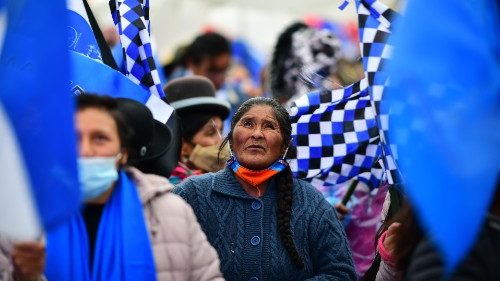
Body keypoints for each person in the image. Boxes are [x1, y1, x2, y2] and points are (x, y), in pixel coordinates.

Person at [42, 94, 222, 281]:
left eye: (100, 138)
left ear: (123, 153)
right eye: (74, 138)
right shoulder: (29, 215)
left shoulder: (171, 212)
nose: (85, 151)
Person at [174, 97, 356, 280]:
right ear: (231, 139)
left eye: (269, 126)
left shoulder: (311, 203)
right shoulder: (193, 194)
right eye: (247, 124)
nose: (257, 134)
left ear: (284, 145)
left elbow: (341, 273)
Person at [164, 76, 231, 183]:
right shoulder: (171, 193)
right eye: (211, 132)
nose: (221, 140)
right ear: (181, 146)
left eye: (221, 131)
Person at [163, 32, 231, 90]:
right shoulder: (171, 94)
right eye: (212, 70)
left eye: (224, 70)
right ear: (191, 63)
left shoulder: (233, 94)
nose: (220, 78)